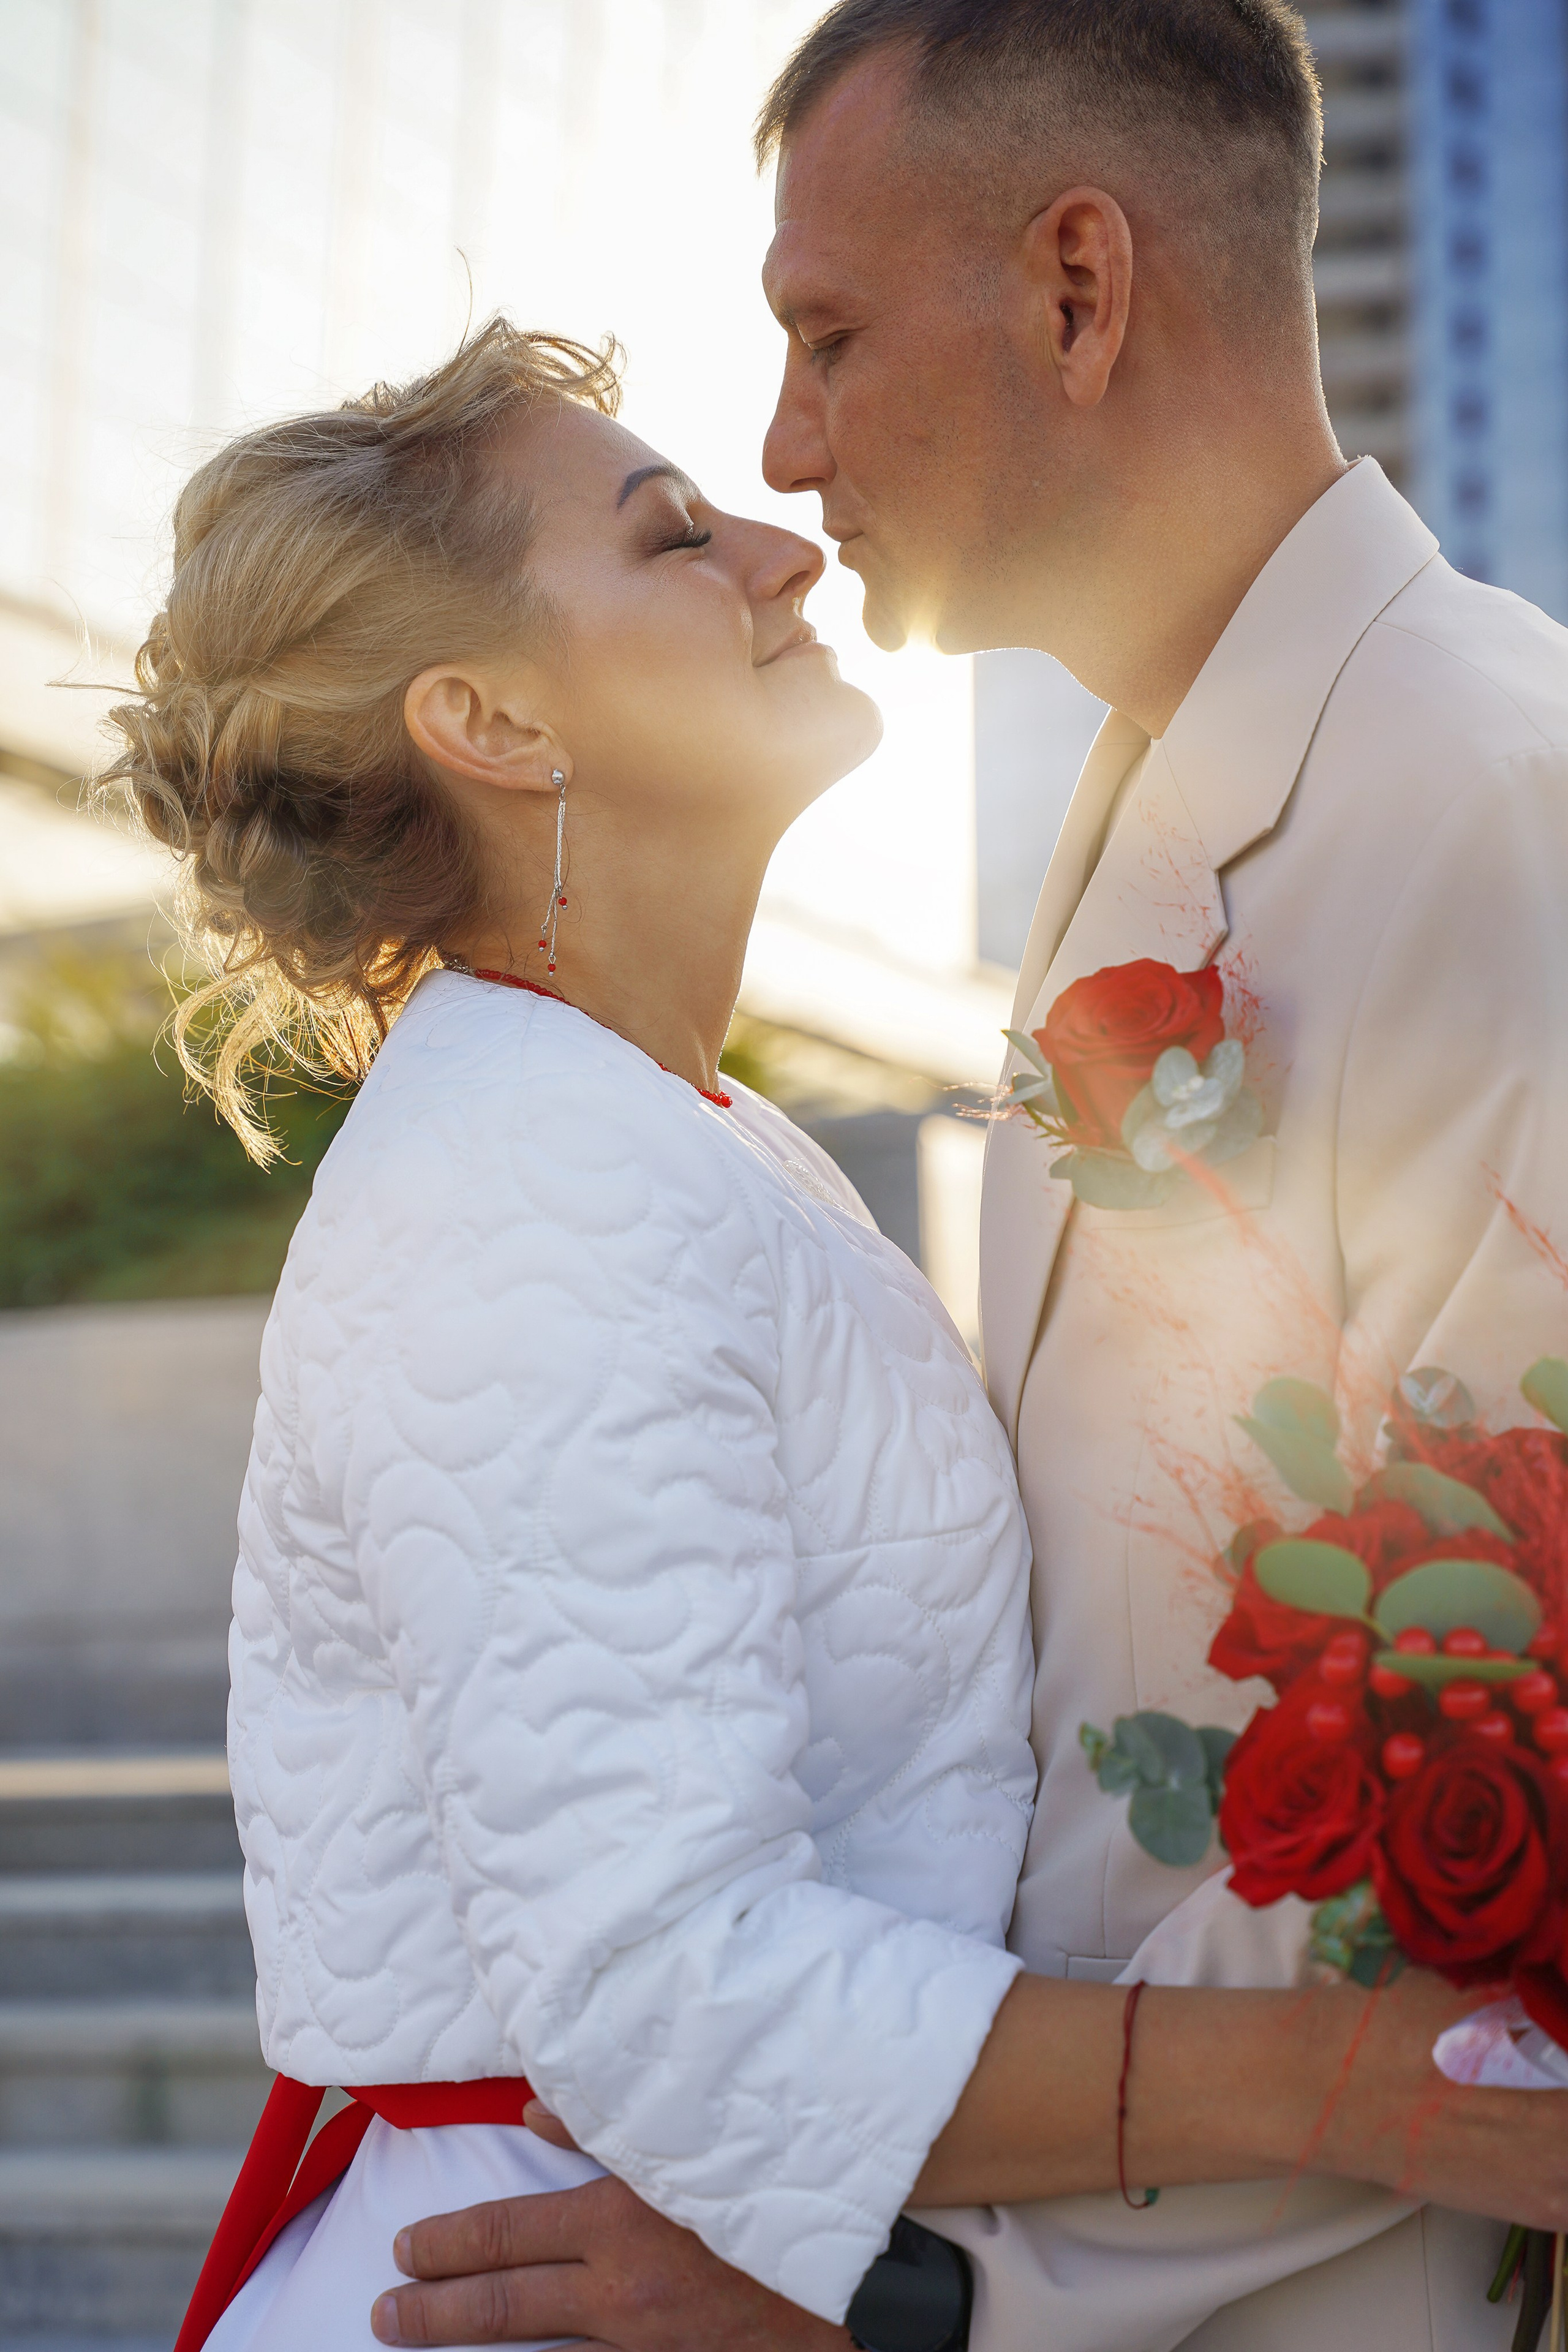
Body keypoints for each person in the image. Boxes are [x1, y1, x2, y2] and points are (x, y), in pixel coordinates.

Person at [374, 5, 1568, 2351]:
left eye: (824, 337)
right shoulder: (1147, 811)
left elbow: (1498, 1762)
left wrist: (925, 2294)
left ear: (1080, 288)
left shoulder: (1487, 801)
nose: (786, 450)